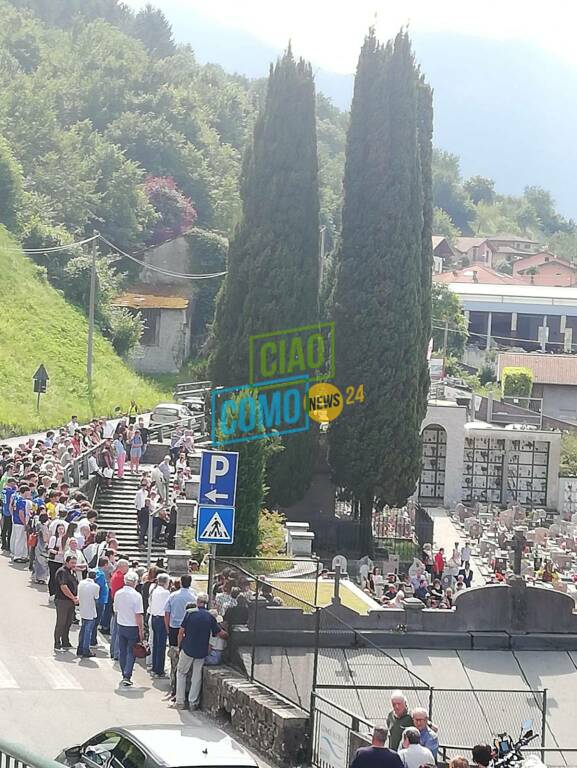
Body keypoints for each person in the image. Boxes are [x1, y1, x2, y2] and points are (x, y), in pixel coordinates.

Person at [172, 593, 226, 711]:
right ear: (206, 603)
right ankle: (193, 702)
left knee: (181, 673)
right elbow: (219, 632)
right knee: (197, 676)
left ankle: (180, 702)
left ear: (197, 601)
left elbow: (181, 632)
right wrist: (229, 635)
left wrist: (179, 646)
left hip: (188, 648)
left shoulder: (190, 614)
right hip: (202, 650)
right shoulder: (209, 617)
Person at [113, 570, 145, 687]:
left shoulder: (118, 593)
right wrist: (141, 630)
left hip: (121, 624)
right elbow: (138, 615)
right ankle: (127, 674)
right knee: (131, 651)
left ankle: (124, 672)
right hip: (132, 626)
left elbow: (115, 610)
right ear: (135, 582)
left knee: (122, 650)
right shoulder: (137, 596)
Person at [54, 555, 79, 652]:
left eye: (75, 562)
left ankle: (65, 641)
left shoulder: (71, 572)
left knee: (68, 622)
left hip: (70, 601)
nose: (74, 565)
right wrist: (73, 597)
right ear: (66, 562)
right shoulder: (62, 572)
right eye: (72, 563)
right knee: (61, 622)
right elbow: (63, 587)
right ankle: (57, 643)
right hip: (62, 601)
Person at [149, 573, 171, 677]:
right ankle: (159, 670)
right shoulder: (165, 593)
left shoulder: (155, 590)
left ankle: (155, 666)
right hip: (161, 619)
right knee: (161, 645)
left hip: (154, 617)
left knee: (156, 643)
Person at [110, 559, 130, 660]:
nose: (128, 568)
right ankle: (117, 653)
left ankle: (113, 651)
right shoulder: (121, 577)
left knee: (115, 630)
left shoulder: (115, 575)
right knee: (118, 631)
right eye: (127, 566)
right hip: (120, 605)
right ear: (122, 566)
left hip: (116, 603)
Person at [77, 569, 100, 658]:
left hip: (82, 608)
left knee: (83, 629)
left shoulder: (81, 583)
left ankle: (80, 648)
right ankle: (85, 649)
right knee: (88, 630)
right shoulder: (95, 586)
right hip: (90, 609)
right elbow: (96, 598)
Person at [92, 557, 110, 647]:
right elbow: (99, 587)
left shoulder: (95, 571)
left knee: (94, 620)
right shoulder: (101, 574)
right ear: (105, 564)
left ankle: (93, 639)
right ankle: (93, 640)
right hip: (100, 600)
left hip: (97, 599)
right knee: (96, 621)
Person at [32, 512, 50, 584]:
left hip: (37, 545)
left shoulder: (38, 524)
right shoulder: (44, 527)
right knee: (43, 563)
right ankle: (41, 578)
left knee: (37, 562)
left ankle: (35, 576)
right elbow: (45, 539)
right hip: (43, 546)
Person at [1, 477, 16, 551]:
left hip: (4, 510)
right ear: (10, 483)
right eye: (13, 483)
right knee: (9, 529)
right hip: (9, 512)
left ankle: (3, 544)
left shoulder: (4, 490)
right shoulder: (10, 491)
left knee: (4, 529)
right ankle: (7, 545)